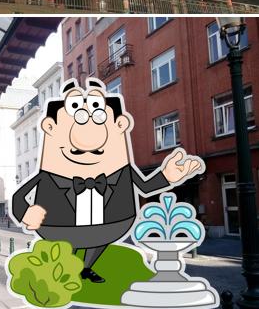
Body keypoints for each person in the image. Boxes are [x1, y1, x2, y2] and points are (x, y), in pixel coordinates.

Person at [11, 77, 204, 284]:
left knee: (98, 241)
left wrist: (167, 176)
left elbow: (146, 187)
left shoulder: (123, 171)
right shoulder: (47, 175)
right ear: (50, 127)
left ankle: (85, 268)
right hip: (60, 226)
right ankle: (65, 268)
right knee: (67, 248)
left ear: (121, 125)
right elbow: (19, 196)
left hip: (111, 224)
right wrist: (24, 212)